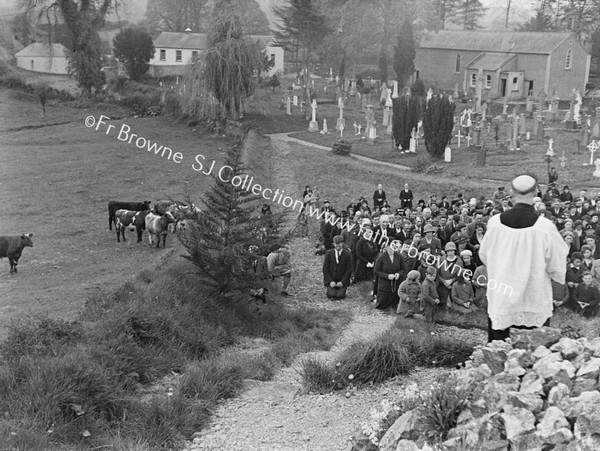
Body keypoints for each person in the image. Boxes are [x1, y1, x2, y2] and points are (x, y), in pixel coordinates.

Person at [479, 174, 569, 342]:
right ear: (535, 191)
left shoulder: (495, 223)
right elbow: (557, 265)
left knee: (500, 353)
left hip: (502, 297)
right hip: (533, 297)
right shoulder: (545, 227)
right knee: (533, 356)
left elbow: (484, 256)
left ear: (512, 192)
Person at [373, 240, 406, 311]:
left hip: (396, 284)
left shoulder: (399, 256)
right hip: (384, 286)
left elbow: (403, 269)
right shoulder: (381, 257)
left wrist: (398, 274)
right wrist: (387, 276)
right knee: (381, 305)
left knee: (394, 304)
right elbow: (376, 271)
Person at [323, 235, 353, 300]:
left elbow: (349, 270)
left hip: (341, 281)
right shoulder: (329, 253)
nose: (338, 246)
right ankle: (331, 289)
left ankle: (341, 290)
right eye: (336, 244)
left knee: (340, 295)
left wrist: (342, 282)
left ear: (342, 244)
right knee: (331, 295)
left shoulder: (347, 255)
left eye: (339, 244)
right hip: (332, 280)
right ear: (333, 244)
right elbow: (325, 269)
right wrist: (330, 281)